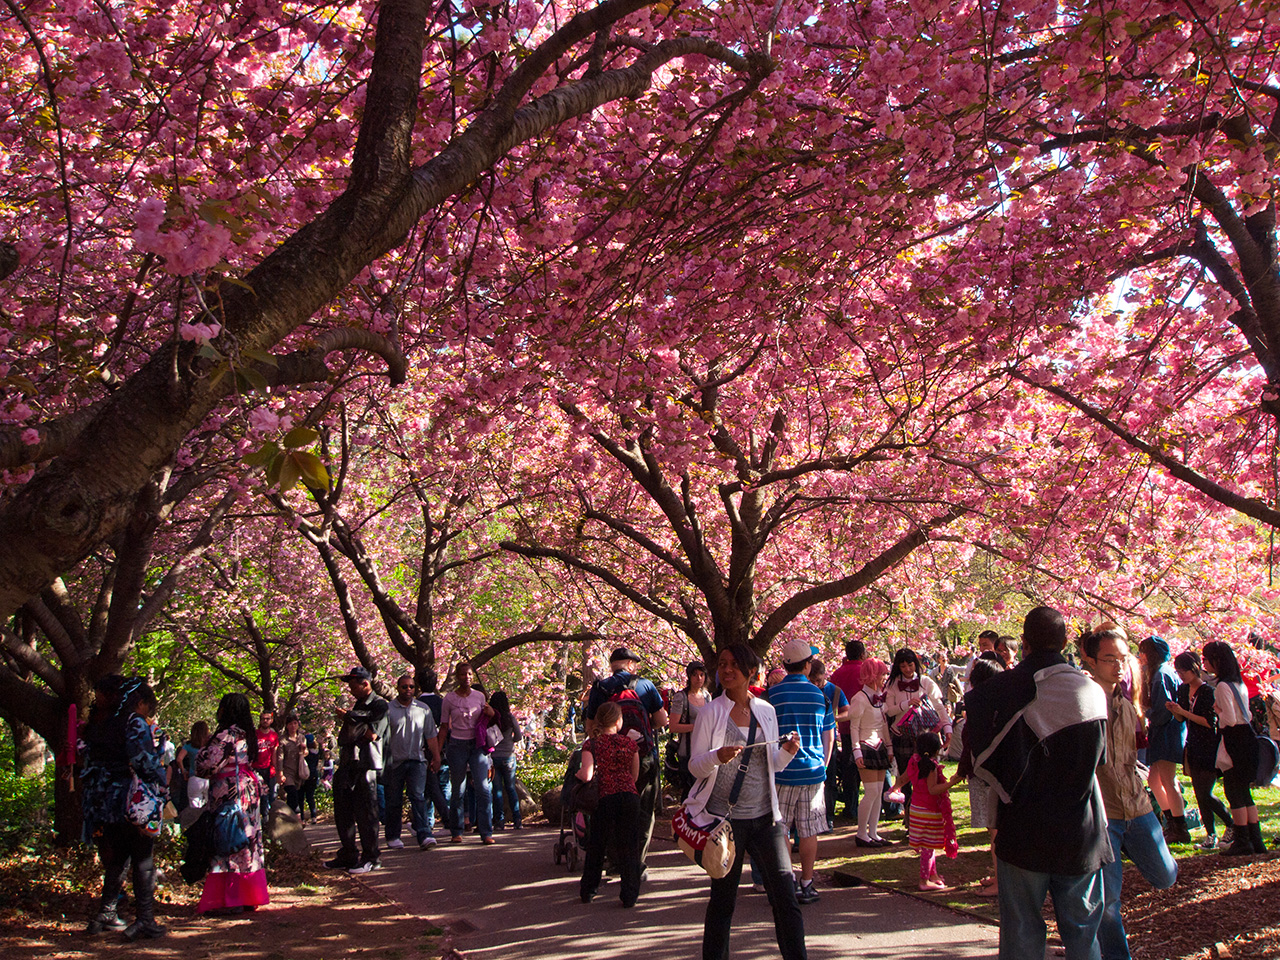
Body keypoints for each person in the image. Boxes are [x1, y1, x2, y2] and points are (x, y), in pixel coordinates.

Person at [967, 606, 1111, 960]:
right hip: (1081, 827)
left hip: (1023, 828)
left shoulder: (1000, 691)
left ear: (1025, 643)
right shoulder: (1092, 693)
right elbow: (1099, 762)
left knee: (1020, 932)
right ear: (1065, 643)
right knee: (1083, 934)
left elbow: (977, 758)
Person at [686, 643, 805, 960]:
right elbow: (695, 766)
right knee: (723, 902)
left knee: (785, 896)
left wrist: (788, 753)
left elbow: (771, 766)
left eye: (734, 665)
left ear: (751, 672)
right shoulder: (712, 712)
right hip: (726, 822)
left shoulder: (766, 711)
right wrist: (716, 756)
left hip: (767, 819)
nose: (726, 670)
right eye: (722, 664)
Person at [1080, 625, 1178, 960]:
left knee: (1166, 875)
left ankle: (1127, 855)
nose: (1119, 666)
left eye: (1123, 659)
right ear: (1090, 660)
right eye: (1110, 660)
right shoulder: (1084, 702)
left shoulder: (1125, 702)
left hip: (1137, 807)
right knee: (1108, 904)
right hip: (1104, 816)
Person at [81, 675, 169, 940]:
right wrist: (162, 779)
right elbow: (142, 761)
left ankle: (106, 913)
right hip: (133, 800)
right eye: (148, 707)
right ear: (139, 702)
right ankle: (144, 918)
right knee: (143, 857)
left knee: (118, 856)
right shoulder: (135, 723)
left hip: (105, 802)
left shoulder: (100, 725)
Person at [583, 647, 668, 869]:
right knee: (643, 810)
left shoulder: (601, 687)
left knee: (611, 808)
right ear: (630, 665)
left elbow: (591, 725)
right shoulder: (646, 685)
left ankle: (615, 861)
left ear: (612, 666)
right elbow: (662, 719)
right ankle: (636, 862)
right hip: (644, 754)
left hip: (611, 758)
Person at [766, 637, 835, 905]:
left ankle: (787, 882)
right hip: (813, 770)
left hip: (782, 770)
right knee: (809, 830)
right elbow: (828, 735)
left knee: (781, 828)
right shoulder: (820, 695)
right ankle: (807, 881)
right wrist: (825, 765)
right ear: (807, 666)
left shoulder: (772, 695)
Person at [198, 692, 269, 916]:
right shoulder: (248, 735)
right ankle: (250, 896)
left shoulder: (225, 735)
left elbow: (208, 765)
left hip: (228, 791)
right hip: (248, 789)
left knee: (227, 840)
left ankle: (230, 899)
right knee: (248, 841)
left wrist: (201, 752)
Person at [1202, 640, 1266, 855]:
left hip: (1233, 739)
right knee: (1245, 792)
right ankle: (1255, 840)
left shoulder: (1221, 686)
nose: (1204, 663)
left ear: (1217, 661)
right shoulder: (1238, 683)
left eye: (1206, 659)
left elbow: (1228, 719)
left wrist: (1217, 709)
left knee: (1234, 791)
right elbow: (1245, 715)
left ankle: (1242, 840)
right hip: (1247, 737)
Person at [1166, 651, 1234, 849]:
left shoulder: (1207, 691)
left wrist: (1183, 712)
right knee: (1199, 792)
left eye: (1185, 670)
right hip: (1192, 745)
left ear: (1195, 667)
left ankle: (1231, 824)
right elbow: (1181, 719)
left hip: (1208, 746)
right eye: (1179, 671)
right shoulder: (1182, 690)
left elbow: (1208, 722)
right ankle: (1210, 834)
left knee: (1206, 792)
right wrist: (1175, 711)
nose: (1182, 675)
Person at [577, 701, 642, 906]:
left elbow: (587, 775)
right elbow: (635, 775)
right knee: (629, 846)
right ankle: (630, 894)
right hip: (629, 796)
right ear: (618, 721)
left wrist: (577, 775)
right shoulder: (630, 744)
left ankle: (589, 890)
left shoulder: (592, 744)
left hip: (605, 797)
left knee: (597, 845)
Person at [328, 665, 391, 872]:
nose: (351, 690)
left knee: (367, 812)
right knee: (343, 810)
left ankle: (371, 857)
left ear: (365, 684)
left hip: (366, 764)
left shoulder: (380, 705)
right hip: (348, 763)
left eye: (354, 686)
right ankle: (348, 853)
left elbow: (372, 734)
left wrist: (351, 717)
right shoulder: (359, 705)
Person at [954, 656, 1005, 897]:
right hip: (997, 772)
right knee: (995, 829)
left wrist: (963, 769)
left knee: (995, 829)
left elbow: (971, 741)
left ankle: (1001, 883)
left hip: (984, 772)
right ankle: (999, 876)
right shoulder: (1004, 702)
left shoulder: (977, 703)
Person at [882, 648, 951, 825]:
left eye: (910, 665)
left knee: (927, 776)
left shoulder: (926, 682)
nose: (907, 669)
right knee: (905, 777)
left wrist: (947, 727)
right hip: (901, 735)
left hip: (925, 737)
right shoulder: (892, 685)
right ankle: (909, 819)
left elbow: (939, 706)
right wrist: (906, 704)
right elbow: (888, 710)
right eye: (903, 666)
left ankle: (927, 816)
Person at [1139, 635, 1189, 843]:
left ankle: (1180, 826)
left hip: (1167, 731)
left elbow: (1163, 709)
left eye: (1142, 652)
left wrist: (1145, 711)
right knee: (1154, 780)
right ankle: (1171, 821)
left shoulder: (1161, 674)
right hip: (1164, 731)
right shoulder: (1162, 672)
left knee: (1168, 779)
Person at [440, 661, 496, 843]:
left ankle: (486, 832)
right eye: (463, 674)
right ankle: (457, 831)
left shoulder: (479, 696)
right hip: (457, 745)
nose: (467, 677)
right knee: (458, 789)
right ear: (457, 677)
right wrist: (437, 753)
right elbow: (443, 726)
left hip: (477, 746)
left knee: (483, 788)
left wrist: (491, 712)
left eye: (470, 674)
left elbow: (490, 718)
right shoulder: (449, 699)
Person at [893, 731, 957, 890]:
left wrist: (893, 789)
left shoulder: (913, 762)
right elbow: (933, 789)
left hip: (915, 809)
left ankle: (932, 874)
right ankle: (924, 881)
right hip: (929, 811)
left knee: (927, 845)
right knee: (928, 847)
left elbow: (903, 779)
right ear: (936, 749)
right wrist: (951, 783)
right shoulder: (931, 767)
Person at [384, 673, 441, 849]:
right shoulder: (388, 709)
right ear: (397, 688)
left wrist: (436, 756)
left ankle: (424, 834)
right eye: (404, 687)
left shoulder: (423, 709)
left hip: (417, 760)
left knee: (418, 796)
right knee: (394, 800)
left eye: (411, 687)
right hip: (395, 762)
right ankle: (393, 835)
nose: (408, 690)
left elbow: (431, 736)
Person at [847, 657, 892, 847]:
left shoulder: (880, 698)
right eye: (882, 674)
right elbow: (853, 727)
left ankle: (873, 832)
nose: (884, 678)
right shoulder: (859, 698)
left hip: (879, 746)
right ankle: (861, 833)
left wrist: (889, 748)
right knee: (871, 791)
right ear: (873, 675)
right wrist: (857, 751)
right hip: (865, 746)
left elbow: (883, 725)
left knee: (879, 791)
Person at [808, 657, 849, 831]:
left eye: (819, 680)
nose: (816, 684)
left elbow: (847, 712)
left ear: (825, 675)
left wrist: (831, 719)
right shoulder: (807, 691)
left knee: (829, 779)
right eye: (812, 681)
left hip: (827, 741)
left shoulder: (835, 691)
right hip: (809, 740)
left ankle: (829, 817)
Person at [829, 640, 866, 815]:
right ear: (862, 654)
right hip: (866, 725)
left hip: (845, 726)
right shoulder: (866, 672)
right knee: (873, 763)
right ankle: (887, 804)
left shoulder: (837, 674)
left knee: (849, 768)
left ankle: (851, 807)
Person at [669, 660, 711, 802]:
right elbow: (673, 726)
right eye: (695, 675)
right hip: (687, 751)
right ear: (689, 677)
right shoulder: (681, 697)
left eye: (701, 675)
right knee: (689, 792)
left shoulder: (707, 696)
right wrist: (696, 727)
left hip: (705, 750)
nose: (698, 678)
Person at [488, 690, 523, 830]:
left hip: (494, 756)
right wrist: (511, 741)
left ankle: (500, 821)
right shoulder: (510, 718)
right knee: (510, 788)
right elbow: (519, 736)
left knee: (497, 790)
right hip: (508, 756)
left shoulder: (490, 719)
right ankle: (517, 819)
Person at [275, 714, 309, 818]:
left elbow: (306, 753)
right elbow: (280, 757)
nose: (293, 726)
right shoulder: (283, 740)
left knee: (296, 796)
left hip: (298, 771)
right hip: (287, 771)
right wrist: (280, 773)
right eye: (290, 723)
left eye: (295, 723)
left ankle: (291, 818)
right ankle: (298, 815)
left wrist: (304, 750)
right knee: (292, 792)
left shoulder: (302, 738)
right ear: (287, 726)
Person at [177, 720, 211, 811]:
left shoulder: (189, 745)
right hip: (209, 779)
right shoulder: (210, 745)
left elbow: (179, 759)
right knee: (210, 807)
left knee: (194, 808)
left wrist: (183, 771)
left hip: (194, 778)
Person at [252, 709, 279, 822]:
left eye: (267, 719)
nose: (265, 721)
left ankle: (271, 819)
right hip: (256, 768)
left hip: (269, 769)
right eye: (263, 719)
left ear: (271, 720)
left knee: (271, 795)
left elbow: (274, 753)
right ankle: (261, 817)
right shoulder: (255, 734)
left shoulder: (274, 736)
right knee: (259, 795)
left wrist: (277, 770)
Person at [300, 733, 320, 822]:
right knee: (310, 797)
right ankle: (314, 816)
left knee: (301, 797)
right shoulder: (316, 753)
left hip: (303, 776)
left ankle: (302, 817)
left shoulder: (304, 753)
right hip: (313, 776)